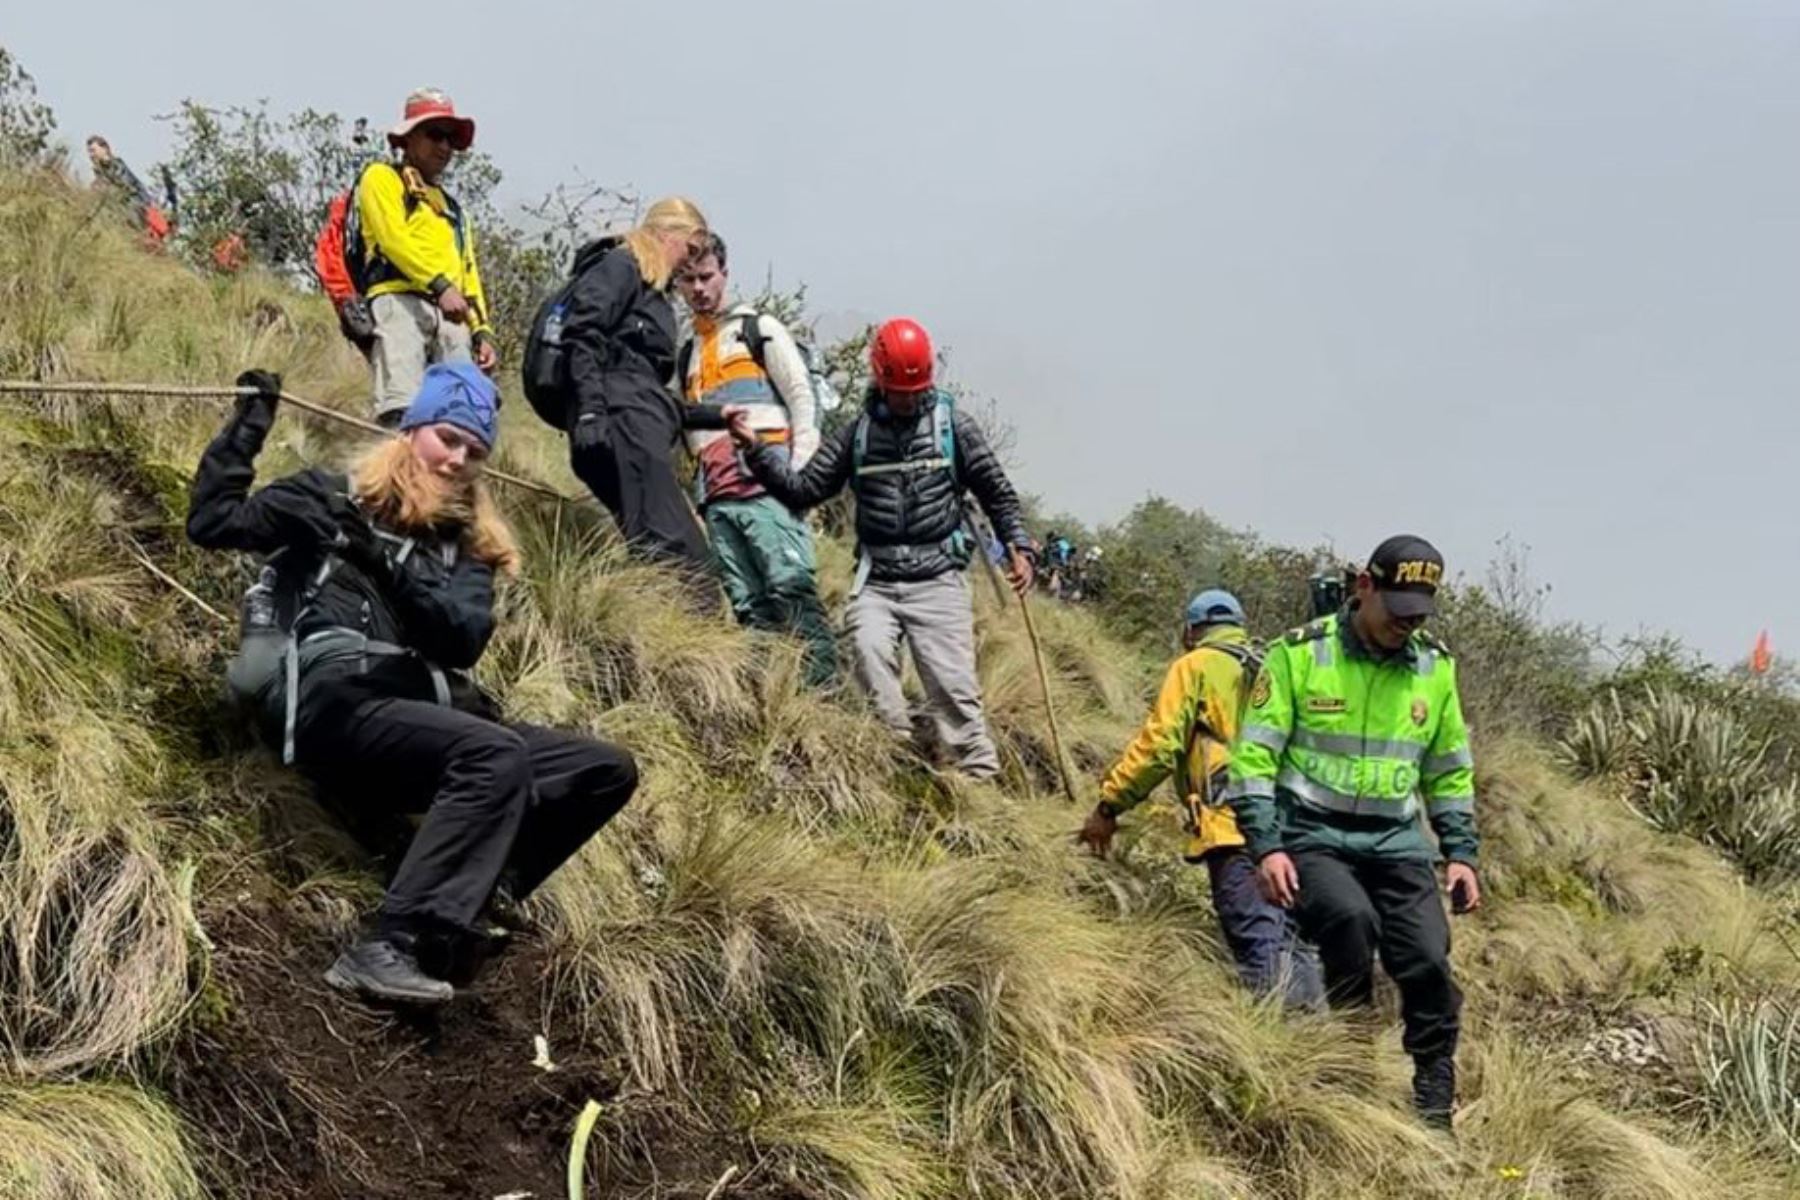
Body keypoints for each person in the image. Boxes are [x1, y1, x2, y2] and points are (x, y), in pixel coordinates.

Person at [186, 364, 637, 1005]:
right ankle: (390, 943)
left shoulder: (466, 549)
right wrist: (247, 426)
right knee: (494, 754)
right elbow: (213, 522)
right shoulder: (328, 493)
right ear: (414, 428)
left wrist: (377, 561)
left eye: (474, 450)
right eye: (447, 438)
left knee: (602, 769)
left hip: (398, 709)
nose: (456, 459)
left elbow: (461, 639)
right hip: (321, 698)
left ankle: (479, 887)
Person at [1223, 535, 1480, 1129]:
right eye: (1397, 613)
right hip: (1312, 834)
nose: (1406, 627)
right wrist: (1266, 846)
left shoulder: (1434, 669)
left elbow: (1448, 769)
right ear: (1365, 587)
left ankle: (1434, 1095)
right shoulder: (1298, 655)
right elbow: (1254, 759)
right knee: (1348, 920)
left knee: (1426, 958)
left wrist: (1460, 854)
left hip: (1395, 840)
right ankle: (1350, 1058)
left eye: (1419, 616)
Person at [724, 317, 1034, 778]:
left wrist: (1018, 544)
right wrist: (756, 451)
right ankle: (898, 763)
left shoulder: (955, 427)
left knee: (954, 692)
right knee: (868, 659)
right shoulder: (857, 434)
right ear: (879, 380)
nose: (908, 400)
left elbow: (998, 492)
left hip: (938, 580)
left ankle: (979, 784)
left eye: (916, 390)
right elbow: (803, 488)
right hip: (879, 581)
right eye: (898, 390)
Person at [1080, 590, 1323, 1007]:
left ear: (1191, 631)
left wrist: (1109, 806)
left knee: (1260, 946)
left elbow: (1158, 748)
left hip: (1237, 827)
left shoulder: (1195, 666)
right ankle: (1320, 1053)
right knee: (1299, 949)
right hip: (1301, 829)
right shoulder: (1277, 664)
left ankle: (1280, 1053)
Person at [674, 233, 836, 684]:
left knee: (793, 593)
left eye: (706, 277)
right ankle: (773, 696)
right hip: (718, 498)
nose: (699, 289)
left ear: (724, 273)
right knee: (749, 607)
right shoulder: (687, 351)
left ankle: (826, 700)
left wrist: (795, 477)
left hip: (768, 490)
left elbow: (803, 398)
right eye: (687, 280)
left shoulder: (757, 328)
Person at [561, 197, 716, 604]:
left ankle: (657, 627)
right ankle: (694, 641)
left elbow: (643, 382)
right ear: (667, 234)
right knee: (683, 555)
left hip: (638, 424)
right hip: (623, 426)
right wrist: (592, 410)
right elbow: (582, 332)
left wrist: (718, 417)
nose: (691, 262)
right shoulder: (622, 266)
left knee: (659, 543)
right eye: (691, 248)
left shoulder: (650, 291)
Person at [357, 89, 495, 426]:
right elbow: (393, 239)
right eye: (435, 134)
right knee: (400, 410)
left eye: (450, 138)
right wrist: (438, 285)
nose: (445, 147)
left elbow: (468, 271)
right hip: (399, 300)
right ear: (408, 138)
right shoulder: (382, 178)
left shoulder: (453, 208)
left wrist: (482, 331)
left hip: (453, 317)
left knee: (460, 417)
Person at [87, 135, 170, 245]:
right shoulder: (101, 170)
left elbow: (126, 187)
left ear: (104, 149)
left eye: (93, 151)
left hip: (135, 208)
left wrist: (102, 187)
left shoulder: (116, 165)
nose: (91, 155)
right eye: (89, 152)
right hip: (126, 209)